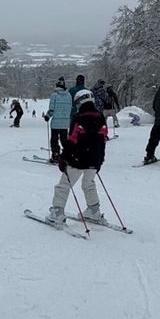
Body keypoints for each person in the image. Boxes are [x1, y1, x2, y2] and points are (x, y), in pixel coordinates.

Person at [46, 89, 108, 225]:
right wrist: (99, 161)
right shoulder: (100, 117)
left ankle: (57, 212)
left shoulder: (78, 119)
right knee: (89, 184)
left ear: (80, 102)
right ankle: (93, 210)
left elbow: (72, 141)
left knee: (63, 185)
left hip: (77, 159)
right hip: (94, 159)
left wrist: (63, 158)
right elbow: (103, 141)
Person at [44, 75, 73, 162]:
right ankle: (67, 155)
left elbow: (52, 109)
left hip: (56, 123)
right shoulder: (69, 95)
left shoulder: (54, 95)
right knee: (64, 140)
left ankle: (56, 155)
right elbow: (70, 108)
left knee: (54, 140)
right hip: (65, 123)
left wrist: (47, 116)